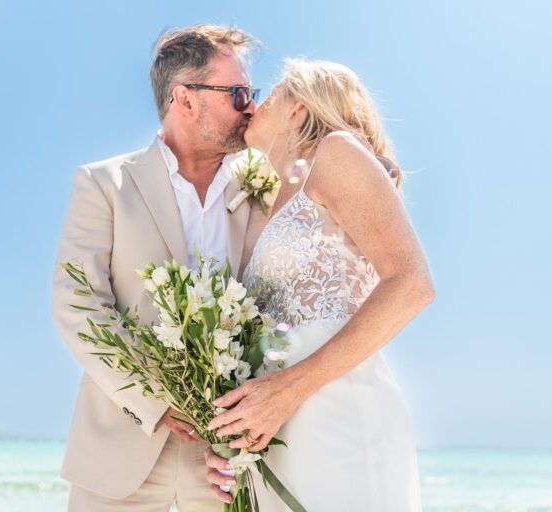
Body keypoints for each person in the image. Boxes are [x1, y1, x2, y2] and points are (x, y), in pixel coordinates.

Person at [203, 58, 436, 511]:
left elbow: (412, 285)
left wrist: (289, 389)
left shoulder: (337, 153)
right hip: (279, 431)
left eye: (270, 96)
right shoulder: (267, 201)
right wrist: (232, 438)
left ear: (298, 108)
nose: (252, 107)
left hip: (338, 414)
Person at [51, 24, 267, 511]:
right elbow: (76, 304)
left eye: (251, 93)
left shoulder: (263, 188)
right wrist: (156, 398)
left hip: (228, 463)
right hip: (119, 446)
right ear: (184, 99)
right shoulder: (102, 184)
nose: (250, 106)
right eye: (237, 93)